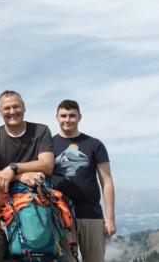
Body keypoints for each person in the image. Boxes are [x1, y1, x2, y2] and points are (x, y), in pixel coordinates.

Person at [0, 90, 55, 262]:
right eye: (7, 108)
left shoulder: (40, 130)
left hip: (35, 192)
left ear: (24, 107)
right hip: (5, 191)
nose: (12, 111)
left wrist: (14, 167)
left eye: (16, 106)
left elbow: (47, 165)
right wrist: (19, 176)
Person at [52, 99, 116, 262]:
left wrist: (110, 218)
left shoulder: (94, 145)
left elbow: (106, 181)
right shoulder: (48, 146)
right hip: (60, 216)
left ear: (80, 117)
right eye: (63, 115)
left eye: (72, 115)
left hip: (91, 215)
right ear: (57, 117)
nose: (68, 119)